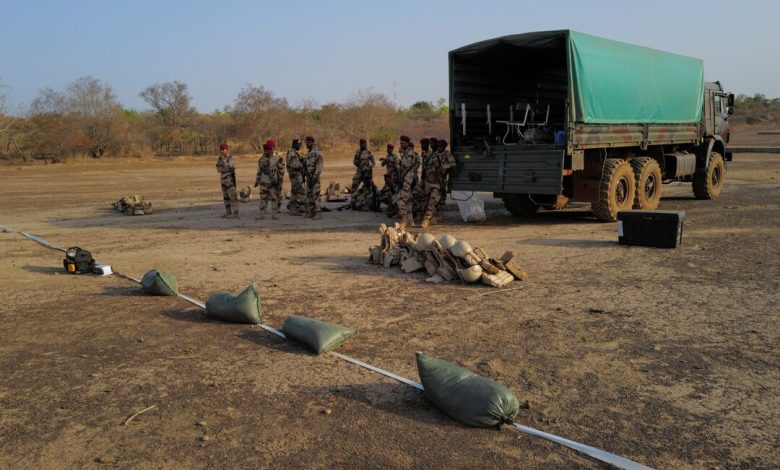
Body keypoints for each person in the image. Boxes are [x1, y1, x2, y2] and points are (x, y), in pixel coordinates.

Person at [420, 139, 456, 228]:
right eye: (439, 146)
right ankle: (433, 218)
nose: (439, 148)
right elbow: (428, 166)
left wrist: (443, 167)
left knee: (433, 200)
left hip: (439, 181)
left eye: (441, 146)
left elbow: (453, 164)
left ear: (444, 147)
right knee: (428, 200)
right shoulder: (434, 154)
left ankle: (426, 219)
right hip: (430, 180)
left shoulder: (447, 154)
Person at [255, 140, 285, 219]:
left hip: (273, 183)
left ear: (272, 150)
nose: (266, 151)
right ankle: (261, 214)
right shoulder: (261, 159)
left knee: (274, 199)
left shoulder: (277, 159)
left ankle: (274, 214)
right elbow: (259, 171)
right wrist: (257, 180)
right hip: (263, 182)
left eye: (268, 150)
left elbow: (281, 170)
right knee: (263, 198)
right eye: (265, 150)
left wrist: (279, 180)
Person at [396, 135, 417, 227]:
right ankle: (410, 221)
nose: (401, 145)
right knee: (408, 200)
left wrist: (400, 155)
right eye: (400, 143)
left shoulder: (410, 152)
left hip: (407, 179)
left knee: (400, 199)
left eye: (403, 143)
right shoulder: (406, 152)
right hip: (405, 177)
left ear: (407, 143)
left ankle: (404, 219)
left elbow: (407, 164)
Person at [216, 142, 239, 218]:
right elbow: (218, 169)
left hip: (230, 181)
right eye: (221, 150)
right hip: (223, 181)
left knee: (233, 197)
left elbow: (229, 167)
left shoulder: (230, 158)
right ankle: (228, 212)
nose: (221, 151)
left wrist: (223, 162)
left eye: (223, 150)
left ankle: (235, 213)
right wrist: (224, 167)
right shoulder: (219, 159)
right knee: (226, 198)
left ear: (226, 150)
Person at [303, 135, 324, 219]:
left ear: (312, 143)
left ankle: (318, 213)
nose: (307, 144)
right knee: (309, 195)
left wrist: (315, 176)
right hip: (308, 178)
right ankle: (312, 212)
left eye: (308, 142)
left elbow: (319, 166)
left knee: (316, 195)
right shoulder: (308, 154)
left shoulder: (317, 153)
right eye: (306, 142)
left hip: (315, 177)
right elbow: (305, 166)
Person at [350, 138, 375, 206]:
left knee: (369, 187)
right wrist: (356, 163)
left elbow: (373, 163)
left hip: (366, 173)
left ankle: (370, 202)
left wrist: (368, 168)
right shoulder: (357, 152)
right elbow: (354, 161)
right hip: (359, 172)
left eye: (364, 144)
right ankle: (353, 202)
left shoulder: (369, 153)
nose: (363, 145)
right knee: (354, 185)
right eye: (361, 144)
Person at [286, 138, 306, 215]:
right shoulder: (292, 153)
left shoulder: (294, 152)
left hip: (295, 175)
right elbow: (294, 165)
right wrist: (302, 164)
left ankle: (293, 208)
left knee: (294, 192)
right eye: (298, 145)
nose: (299, 146)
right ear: (294, 145)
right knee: (299, 192)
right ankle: (294, 209)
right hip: (295, 175)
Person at [380, 143, 399, 216]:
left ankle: (394, 206)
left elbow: (396, 166)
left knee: (394, 191)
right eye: (387, 149)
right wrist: (384, 160)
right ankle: (390, 205)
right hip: (388, 177)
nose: (387, 150)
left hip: (394, 177)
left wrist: (386, 159)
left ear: (392, 149)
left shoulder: (395, 156)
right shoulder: (387, 156)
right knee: (385, 191)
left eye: (389, 149)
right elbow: (382, 164)